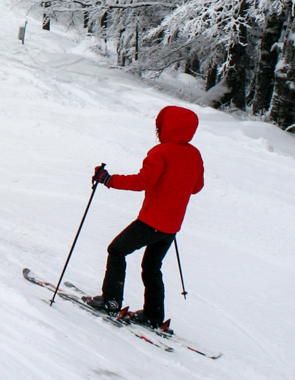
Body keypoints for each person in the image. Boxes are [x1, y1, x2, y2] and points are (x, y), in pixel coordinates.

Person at [83, 107, 205, 329]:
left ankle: (111, 301)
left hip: (152, 221)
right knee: (151, 266)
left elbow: (143, 181)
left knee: (117, 251)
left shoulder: (161, 152)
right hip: (172, 226)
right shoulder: (194, 154)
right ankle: (153, 315)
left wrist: (108, 179)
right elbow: (197, 187)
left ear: (165, 127)